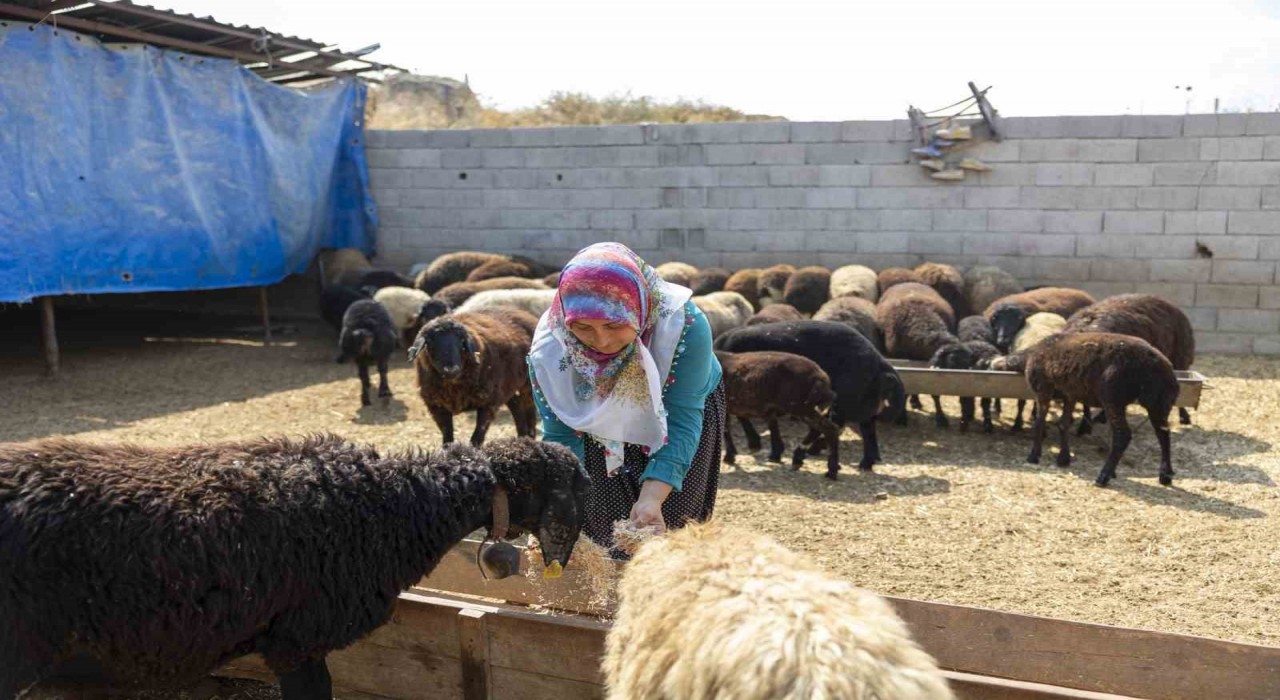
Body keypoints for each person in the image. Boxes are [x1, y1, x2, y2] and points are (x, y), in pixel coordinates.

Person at [527, 242, 724, 558]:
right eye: (583, 327)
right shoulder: (552, 350)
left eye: (614, 325)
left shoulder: (683, 326)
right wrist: (562, 501)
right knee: (597, 518)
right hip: (592, 414)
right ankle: (601, 599)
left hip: (674, 406)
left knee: (669, 524)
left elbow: (683, 416)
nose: (601, 340)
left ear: (639, 310)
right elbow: (562, 434)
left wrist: (651, 499)